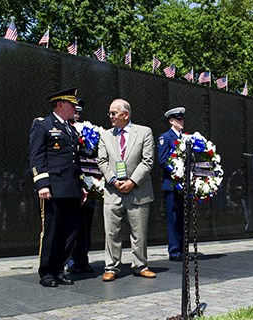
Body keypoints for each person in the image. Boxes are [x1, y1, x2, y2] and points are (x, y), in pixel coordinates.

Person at [28, 87, 84, 287]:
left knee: (69, 232)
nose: (74, 108)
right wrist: (42, 184)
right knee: (51, 231)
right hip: (53, 188)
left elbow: (74, 161)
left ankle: (59, 269)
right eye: (71, 104)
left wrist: (81, 187)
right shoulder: (43, 125)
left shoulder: (71, 129)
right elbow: (36, 156)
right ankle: (47, 272)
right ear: (60, 104)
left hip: (71, 189)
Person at [97, 98, 157, 281]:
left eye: (114, 113)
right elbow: (101, 161)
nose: (111, 116)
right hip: (113, 191)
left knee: (139, 233)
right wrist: (114, 180)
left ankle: (140, 265)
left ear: (126, 114)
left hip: (137, 191)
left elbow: (147, 161)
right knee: (111, 232)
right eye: (110, 113)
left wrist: (132, 181)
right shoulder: (106, 135)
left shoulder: (144, 132)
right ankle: (111, 267)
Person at [66, 100, 96, 274]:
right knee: (71, 225)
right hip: (71, 185)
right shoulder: (64, 130)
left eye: (79, 112)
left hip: (89, 183)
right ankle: (70, 260)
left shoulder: (89, 132)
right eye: (74, 111)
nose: (77, 114)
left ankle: (82, 259)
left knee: (86, 225)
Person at [156, 106, 186, 261]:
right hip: (172, 183)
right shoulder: (165, 137)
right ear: (171, 121)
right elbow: (162, 160)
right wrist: (177, 171)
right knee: (173, 218)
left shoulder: (185, 138)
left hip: (184, 184)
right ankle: (174, 250)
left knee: (182, 217)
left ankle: (181, 248)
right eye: (178, 119)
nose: (181, 121)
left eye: (182, 119)